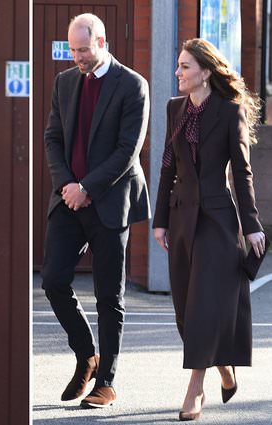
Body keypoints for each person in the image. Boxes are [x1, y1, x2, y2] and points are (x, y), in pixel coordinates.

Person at [151, 38, 266, 420]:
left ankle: (195, 389)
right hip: (182, 218)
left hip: (217, 221)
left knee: (203, 305)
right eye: (179, 65)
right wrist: (160, 221)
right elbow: (168, 166)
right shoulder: (174, 109)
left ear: (204, 71)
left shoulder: (229, 112)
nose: (178, 72)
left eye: (185, 66)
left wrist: (251, 227)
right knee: (185, 309)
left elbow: (242, 174)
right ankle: (223, 368)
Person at [41, 13, 150, 408]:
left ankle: (106, 380)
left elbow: (128, 150)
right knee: (53, 281)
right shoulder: (65, 82)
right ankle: (87, 354)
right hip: (69, 199)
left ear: (102, 42)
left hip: (110, 200)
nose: (77, 57)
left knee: (109, 294)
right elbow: (53, 137)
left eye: (83, 49)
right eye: (72, 49)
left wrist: (87, 187)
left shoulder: (133, 85)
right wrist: (69, 185)